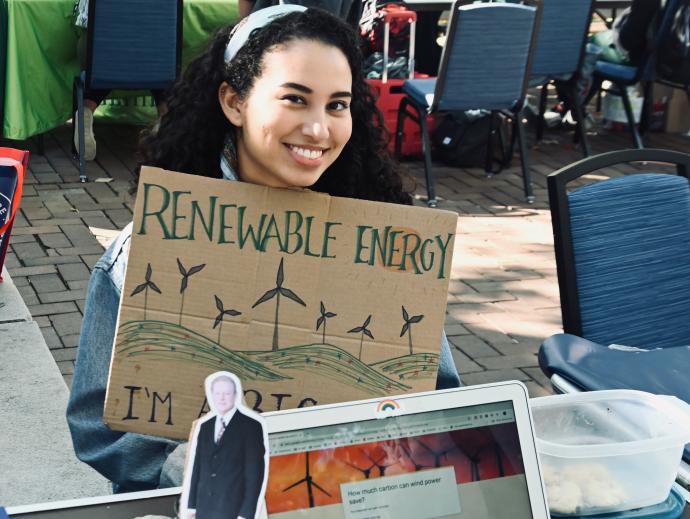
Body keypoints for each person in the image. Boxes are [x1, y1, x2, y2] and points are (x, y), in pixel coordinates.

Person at [66, 5, 461, 494]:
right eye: (295, 99)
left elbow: (441, 397)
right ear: (234, 101)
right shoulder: (143, 252)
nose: (319, 129)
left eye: (337, 105)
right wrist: (188, 465)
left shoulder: (389, 254)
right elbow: (101, 426)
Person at [72, 0, 168, 161]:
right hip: (151, 60)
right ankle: (165, 117)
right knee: (163, 65)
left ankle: (86, 110)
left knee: (99, 60)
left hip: (104, 57)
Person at [187, 373, 267, 519]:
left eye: (227, 393)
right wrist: (191, 506)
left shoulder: (251, 426)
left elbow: (254, 475)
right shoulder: (205, 426)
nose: (222, 398)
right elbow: (197, 468)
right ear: (211, 395)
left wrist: (245, 514)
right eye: (217, 393)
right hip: (204, 508)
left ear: (235, 395)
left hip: (232, 509)